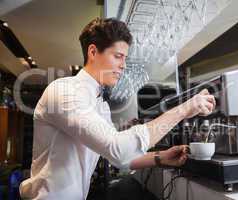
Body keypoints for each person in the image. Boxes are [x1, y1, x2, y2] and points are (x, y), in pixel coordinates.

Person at [19, 18, 215, 199]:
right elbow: (118, 150)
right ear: (93, 52)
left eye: (125, 58)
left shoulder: (100, 105)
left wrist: (160, 157)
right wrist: (183, 110)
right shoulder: (64, 91)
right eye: (118, 56)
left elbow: (118, 158)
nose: (123, 66)